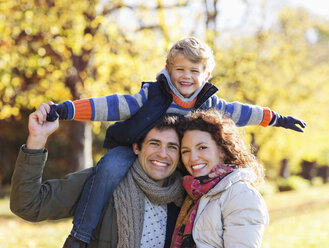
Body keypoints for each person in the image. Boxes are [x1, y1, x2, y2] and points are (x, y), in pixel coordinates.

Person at [45, 37, 303, 246]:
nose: (186, 76)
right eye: (180, 69)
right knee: (109, 167)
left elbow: (242, 112)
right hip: (138, 148)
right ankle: (80, 234)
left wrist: (276, 118)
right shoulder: (152, 95)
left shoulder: (210, 103)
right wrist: (67, 109)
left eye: (194, 70)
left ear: (207, 74)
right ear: (168, 69)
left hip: (180, 156)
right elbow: (112, 105)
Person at [10, 104, 186, 248]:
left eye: (172, 147)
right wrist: (37, 140)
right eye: (154, 144)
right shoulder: (102, 183)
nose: (163, 154)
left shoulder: (186, 199)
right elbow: (28, 205)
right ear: (136, 147)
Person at [170, 109, 269, 248]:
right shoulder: (194, 194)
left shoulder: (240, 194)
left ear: (222, 151)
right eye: (186, 151)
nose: (193, 158)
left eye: (202, 147)